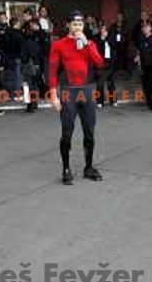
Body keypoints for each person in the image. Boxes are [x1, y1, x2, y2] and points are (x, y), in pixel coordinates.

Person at [49, 10, 106, 185]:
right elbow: (51, 70)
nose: (77, 27)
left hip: (88, 91)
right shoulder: (59, 44)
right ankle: (66, 169)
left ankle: (88, 167)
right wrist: (53, 95)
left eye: (80, 24)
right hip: (69, 91)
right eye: (74, 24)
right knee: (67, 133)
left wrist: (86, 44)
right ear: (68, 25)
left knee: (89, 132)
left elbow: (100, 63)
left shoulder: (89, 43)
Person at [21, 19, 43, 112]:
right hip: (36, 64)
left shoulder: (25, 43)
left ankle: (30, 105)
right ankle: (35, 103)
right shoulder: (36, 42)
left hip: (28, 65)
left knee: (28, 85)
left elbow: (24, 56)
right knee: (34, 85)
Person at [136, 21, 152, 111]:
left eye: (146, 27)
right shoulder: (142, 40)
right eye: (143, 27)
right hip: (144, 66)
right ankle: (150, 105)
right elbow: (140, 51)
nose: (144, 29)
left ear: (150, 28)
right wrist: (138, 59)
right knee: (145, 85)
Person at [108, 12, 127, 106]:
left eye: (120, 16)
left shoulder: (125, 26)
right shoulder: (113, 27)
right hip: (114, 50)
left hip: (123, 47)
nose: (119, 18)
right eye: (118, 16)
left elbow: (127, 35)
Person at [93, 23, 114, 108]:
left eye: (105, 30)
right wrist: (102, 39)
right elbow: (96, 50)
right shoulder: (96, 39)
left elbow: (115, 47)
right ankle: (99, 101)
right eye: (102, 30)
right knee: (100, 83)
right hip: (101, 63)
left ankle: (113, 100)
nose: (103, 31)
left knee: (111, 82)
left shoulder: (111, 38)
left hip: (109, 62)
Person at [4, 17, 24, 101]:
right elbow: (21, 46)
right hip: (17, 57)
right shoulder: (19, 34)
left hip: (8, 57)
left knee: (10, 76)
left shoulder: (6, 33)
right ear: (16, 24)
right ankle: (17, 93)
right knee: (17, 76)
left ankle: (10, 93)